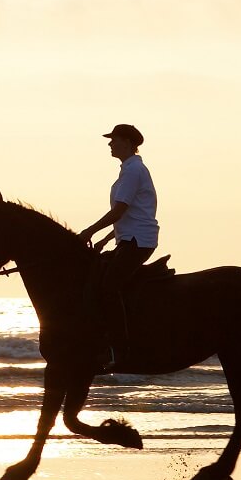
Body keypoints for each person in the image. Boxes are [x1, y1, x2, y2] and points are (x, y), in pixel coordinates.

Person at [77, 124, 159, 370]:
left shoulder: (134, 171)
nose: (110, 144)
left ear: (125, 142)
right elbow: (127, 215)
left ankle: (120, 350)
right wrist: (105, 239)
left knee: (109, 287)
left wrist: (89, 232)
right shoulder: (129, 170)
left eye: (113, 139)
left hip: (138, 241)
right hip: (129, 238)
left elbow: (119, 211)